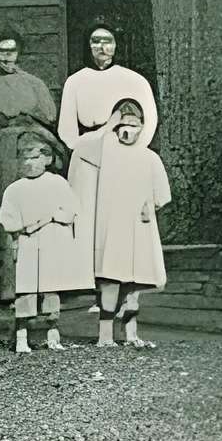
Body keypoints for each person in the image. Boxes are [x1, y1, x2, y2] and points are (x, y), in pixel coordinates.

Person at [57, 24, 158, 295]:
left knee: (118, 217)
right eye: (95, 41)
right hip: (88, 156)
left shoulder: (134, 81)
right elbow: (66, 129)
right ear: (87, 46)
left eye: (108, 41)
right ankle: (86, 281)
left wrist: (131, 152)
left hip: (124, 154)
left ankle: (122, 279)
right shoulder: (75, 81)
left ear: (117, 44)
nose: (102, 48)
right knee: (88, 217)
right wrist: (87, 148)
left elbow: (149, 121)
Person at [0, 33, 63, 305]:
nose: (6, 56)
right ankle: (6, 287)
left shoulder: (35, 85)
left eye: (12, 51)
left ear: (20, 53)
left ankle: (40, 284)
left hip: (31, 153)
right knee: (4, 221)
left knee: (35, 218)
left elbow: (49, 121)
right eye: (1, 50)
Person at [69, 97, 172, 350]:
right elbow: (82, 147)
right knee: (110, 280)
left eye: (134, 125)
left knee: (134, 285)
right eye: (123, 124)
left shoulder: (149, 158)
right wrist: (107, 125)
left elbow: (162, 193)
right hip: (111, 229)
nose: (128, 130)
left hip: (138, 228)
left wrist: (150, 205)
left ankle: (131, 333)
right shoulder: (105, 152)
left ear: (143, 127)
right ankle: (105, 336)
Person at [0, 132, 81, 353]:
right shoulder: (15, 189)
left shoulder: (58, 184)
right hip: (27, 245)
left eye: (35, 157)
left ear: (47, 159)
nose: (29, 163)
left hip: (52, 244)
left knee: (51, 289)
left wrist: (52, 216)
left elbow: (71, 211)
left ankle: (52, 335)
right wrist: (24, 226)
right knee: (26, 290)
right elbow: (7, 219)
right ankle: (22, 337)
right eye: (25, 158)